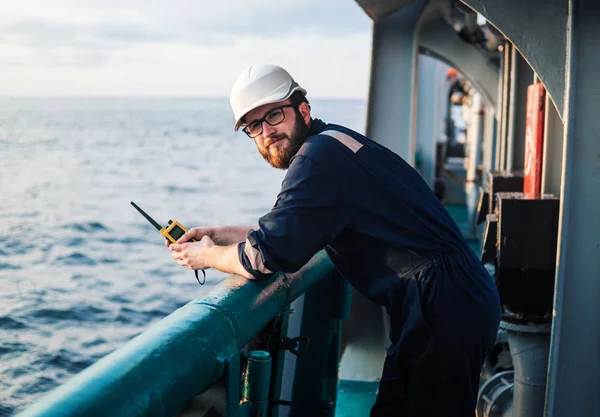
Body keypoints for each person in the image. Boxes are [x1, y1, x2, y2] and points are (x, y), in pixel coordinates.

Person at [168, 64, 501, 417]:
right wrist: (220, 234)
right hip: (447, 297)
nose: (267, 131)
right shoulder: (331, 144)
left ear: (303, 109)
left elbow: (262, 257)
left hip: (442, 303)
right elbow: (297, 229)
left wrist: (205, 256)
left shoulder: (315, 160)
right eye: (254, 125)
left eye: (274, 115)